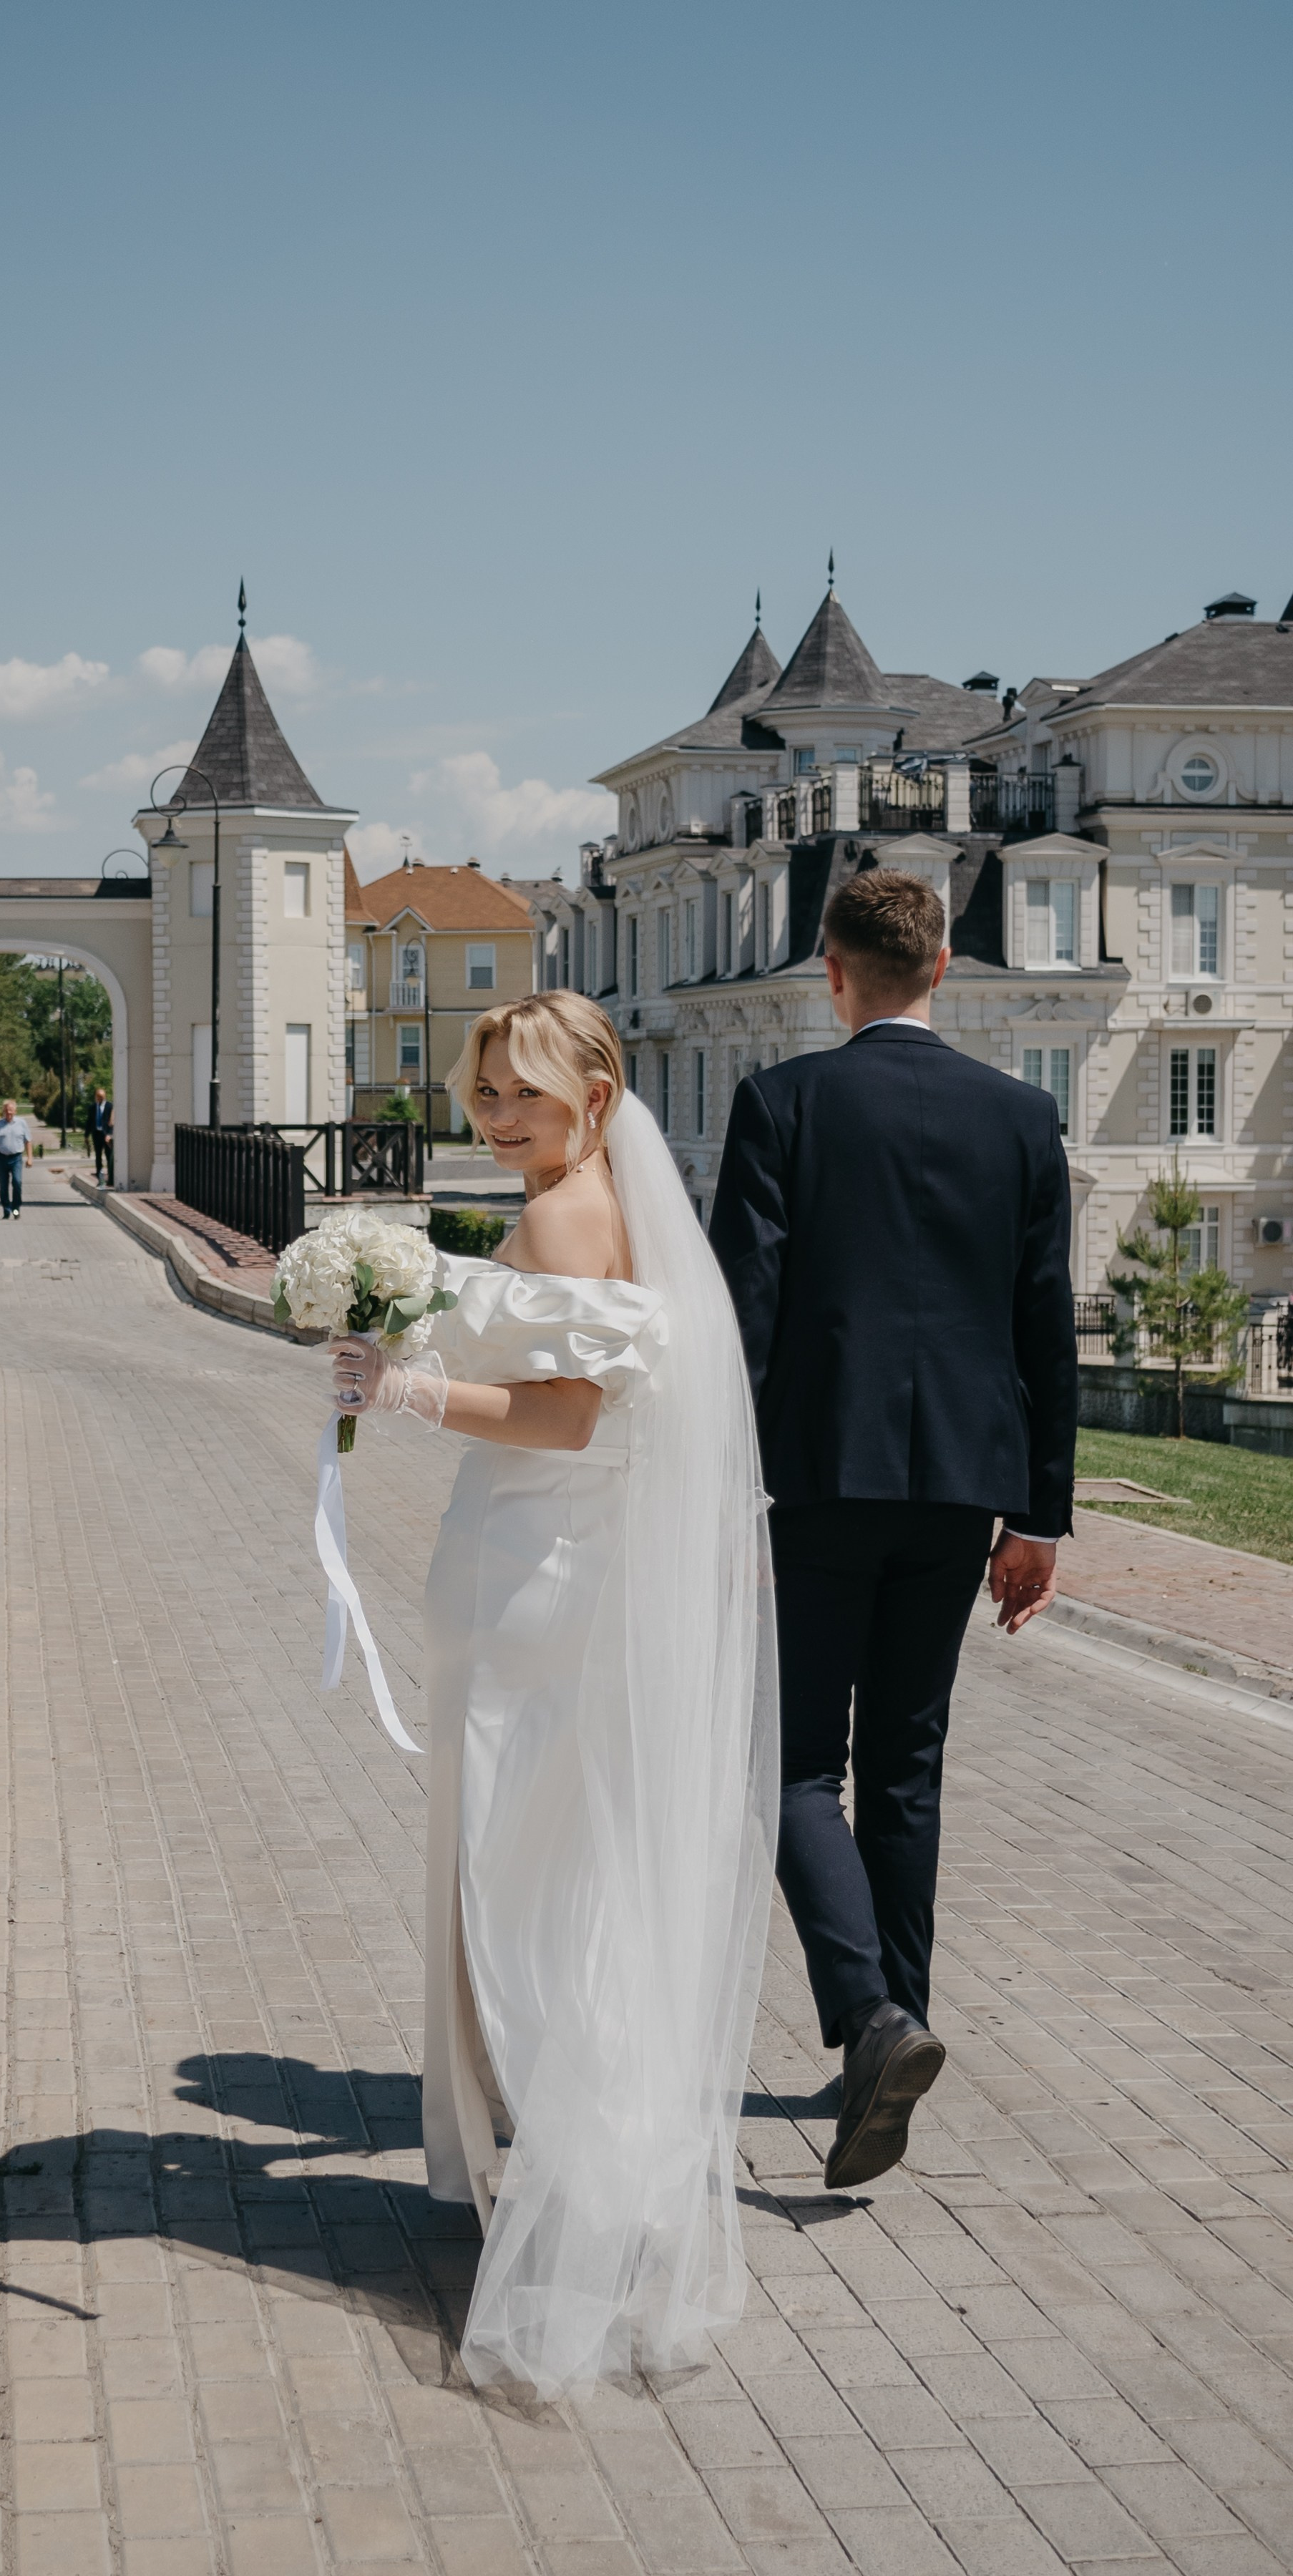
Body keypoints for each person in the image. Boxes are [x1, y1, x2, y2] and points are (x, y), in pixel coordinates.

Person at [333, 992, 776, 2403]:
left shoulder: (574, 1215)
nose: (498, 1116)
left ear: (594, 1092)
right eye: (483, 1092)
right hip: (545, 1564)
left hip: (541, 1568)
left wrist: (404, 1390)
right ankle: (595, 2168)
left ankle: (582, 2182)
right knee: (557, 1872)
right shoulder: (593, 1201)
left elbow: (568, 1418)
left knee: (522, 1883)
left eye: (525, 1091)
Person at [710, 869, 1077, 2193]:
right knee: (907, 1767)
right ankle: (894, 2033)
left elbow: (743, 1318)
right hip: (965, 1488)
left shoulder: (784, 1103)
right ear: (942, 970)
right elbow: (1046, 1324)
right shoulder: (1023, 1117)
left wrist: (716, 1490)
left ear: (832, 969)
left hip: (820, 1481)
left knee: (793, 1766)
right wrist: (1041, 1517)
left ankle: (872, 2017)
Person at [0, 1098, 30, 1221]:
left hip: (16, 1158)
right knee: (3, 1186)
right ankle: (6, 1210)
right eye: (7, 1110)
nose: (9, 1113)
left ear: (15, 1111)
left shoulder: (22, 1123)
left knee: (17, 1182)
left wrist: (30, 1158)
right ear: (3, 1111)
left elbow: (28, 1141)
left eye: (11, 1110)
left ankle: (16, 1209)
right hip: (2, 1158)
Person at [87, 1085, 114, 1187]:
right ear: (96, 1097)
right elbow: (89, 1122)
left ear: (105, 1097)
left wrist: (109, 1134)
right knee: (98, 1157)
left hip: (106, 1135)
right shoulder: (92, 1107)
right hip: (96, 1134)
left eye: (102, 1097)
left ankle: (111, 1179)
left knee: (108, 1156)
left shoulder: (110, 1106)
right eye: (98, 1097)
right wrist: (86, 1135)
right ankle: (100, 1179)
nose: (100, 1099)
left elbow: (112, 1122)